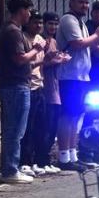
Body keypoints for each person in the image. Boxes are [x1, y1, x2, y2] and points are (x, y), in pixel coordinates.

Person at [55, 0, 99, 170]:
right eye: (81, 2)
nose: (84, 6)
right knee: (68, 115)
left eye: (86, 3)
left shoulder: (81, 23)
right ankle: (64, 157)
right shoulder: (68, 20)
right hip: (69, 75)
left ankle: (72, 154)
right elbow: (77, 44)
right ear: (72, 2)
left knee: (76, 115)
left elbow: (93, 46)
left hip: (81, 76)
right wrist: (98, 35)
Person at [0, 0, 42, 184]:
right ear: (21, 10)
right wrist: (37, 48)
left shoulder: (12, 30)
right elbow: (20, 58)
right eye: (28, 10)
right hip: (16, 85)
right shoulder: (13, 32)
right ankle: (10, 169)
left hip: (15, 84)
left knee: (13, 129)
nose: (30, 14)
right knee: (15, 130)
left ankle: (10, 167)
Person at [19, 10, 63, 176]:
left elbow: (42, 64)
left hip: (40, 85)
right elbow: (26, 63)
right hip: (27, 85)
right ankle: (24, 162)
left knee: (40, 126)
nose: (38, 26)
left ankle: (39, 161)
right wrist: (47, 60)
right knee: (27, 128)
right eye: (35, 22)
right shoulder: (22, 38)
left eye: (39, 22)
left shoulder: (40, 39)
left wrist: (52, 60)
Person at [38, 12, 68, 172]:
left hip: (55, 86)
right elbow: (39, 64)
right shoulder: (41, 41)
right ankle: (41, 159)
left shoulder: (54, 41)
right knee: (45, 125)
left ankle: (46, 158)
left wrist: (60, 59)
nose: (53, 27)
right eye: (50, 24)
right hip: (45, 87)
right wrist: (55, 61)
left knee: (52, 125)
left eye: (56, 24)